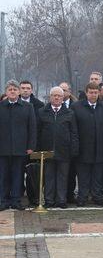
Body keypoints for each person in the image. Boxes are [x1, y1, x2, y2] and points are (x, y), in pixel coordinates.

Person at [71, 83, 103, 206]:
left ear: (99, 93)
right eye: (91, 92)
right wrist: (75, 147)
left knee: (98, 175)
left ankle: (97, 196)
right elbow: (74, 129)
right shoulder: (76, 107)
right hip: (83, 149)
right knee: (83, 175)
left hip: (100, 149)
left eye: (95, 92)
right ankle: (82, 197)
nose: (93, 95)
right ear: (86, 92)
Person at [37, 87, 79, 209]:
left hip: (64, 151)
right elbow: (38, 132)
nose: (56, 98)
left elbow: (74, 133)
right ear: (50, 97)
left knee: (63, 177)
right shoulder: (42, 112)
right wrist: (38, 149)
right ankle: (49, 200)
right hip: (47, 151)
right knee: (49, 177)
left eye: (59, 96)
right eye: (54, 95)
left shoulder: (70, 113)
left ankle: (61, 200)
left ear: (63, 98)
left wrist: (74, 149)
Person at [0, 80, 37, 210]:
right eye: (10, 89)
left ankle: (16, 200)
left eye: (15, 90)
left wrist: (31, 146)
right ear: (6, 92)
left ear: (19, 92)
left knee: (18, 175)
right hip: (3, 149)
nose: (12, 92)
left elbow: (32, 128)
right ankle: (3, 200)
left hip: (20, 148)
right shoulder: (1, 106)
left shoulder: (28, 107)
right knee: (3, 175)